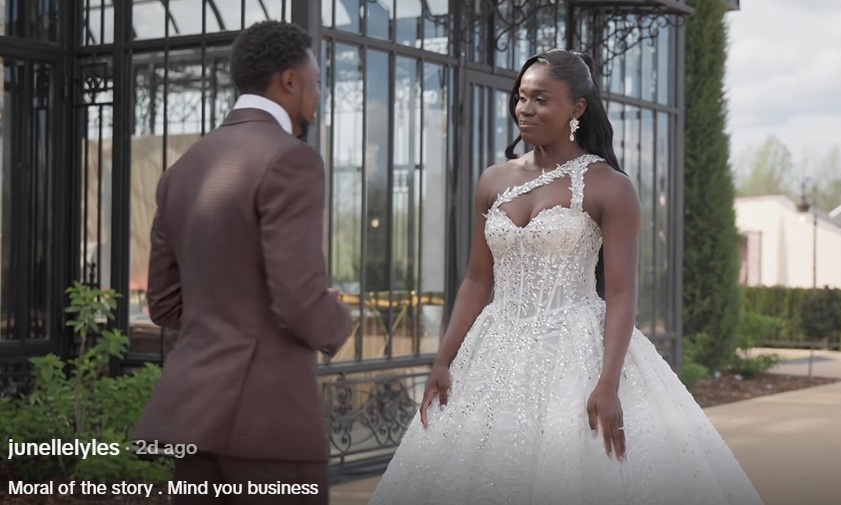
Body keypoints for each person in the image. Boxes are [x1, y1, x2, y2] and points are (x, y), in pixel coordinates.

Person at [366, 49, 764, 505]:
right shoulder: (493, 180)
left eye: (541, 99)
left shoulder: (609, 186)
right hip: (493, 351)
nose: (525, 108)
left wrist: (608, 381)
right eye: (521, 97)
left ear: (576, 108)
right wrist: (443, 359)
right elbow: (477, 280)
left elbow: (620, 291)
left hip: (575, 353)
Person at [132, 21, 351, 505]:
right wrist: (334, 314)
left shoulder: (179, 172)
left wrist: (234, 314)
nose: (318, 95)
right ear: (289, 81)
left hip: (193, 413)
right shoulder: (291, 159)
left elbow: (165, 304)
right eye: (316, 82)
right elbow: (297, 299)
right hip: (269, 419)